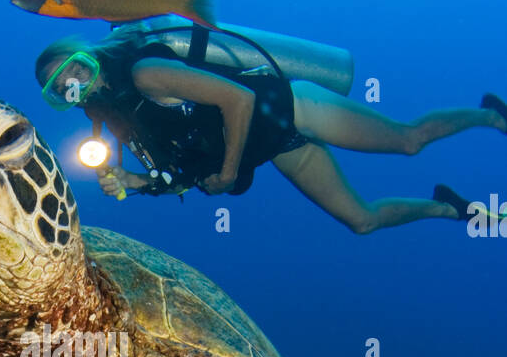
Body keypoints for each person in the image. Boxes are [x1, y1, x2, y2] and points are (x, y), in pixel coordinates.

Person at [35, 27, 507, 232]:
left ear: (90, 54)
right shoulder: (117, 117)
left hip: (295, 107)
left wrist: (226, 172)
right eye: (62, 88)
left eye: (74, 69)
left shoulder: (145, 73)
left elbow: (238, 99)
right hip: (274, 145)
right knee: (361, 222)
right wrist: (137, 181)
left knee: (409, 141)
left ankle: (492, 115)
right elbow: (177, 164)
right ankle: (449, 209)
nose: (75, 85)